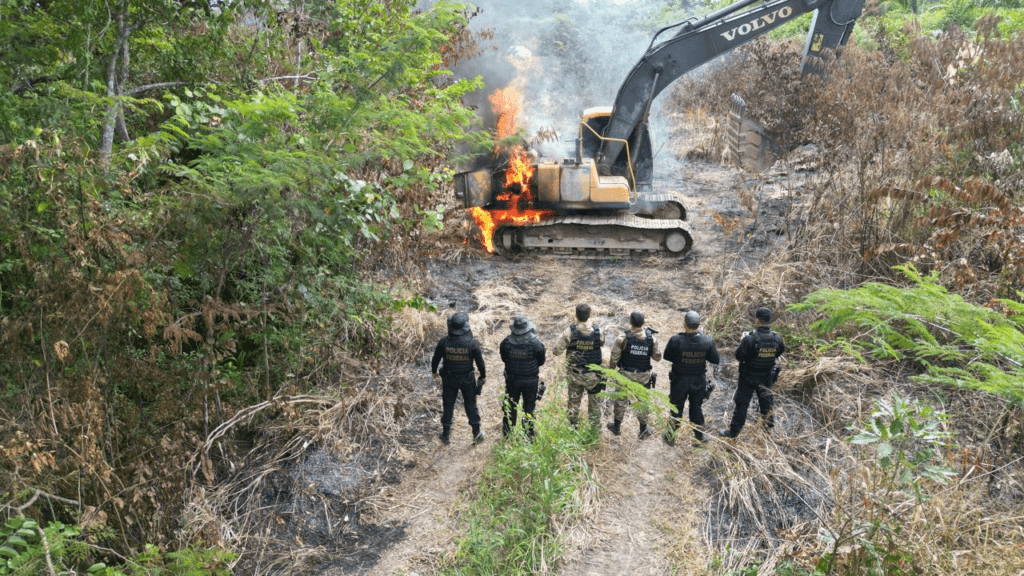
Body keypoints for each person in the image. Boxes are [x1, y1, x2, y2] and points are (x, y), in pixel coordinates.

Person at [720, 307, 785, 439]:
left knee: (742, 405)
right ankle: (768, 430)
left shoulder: (749, 339)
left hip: (748, 377)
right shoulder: (777, 339)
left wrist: (742, 342)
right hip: (766, 377)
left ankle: (733, 433)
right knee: (766, 402)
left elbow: (739, 356)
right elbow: (778, 353)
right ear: (769, 320)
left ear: (757, 320)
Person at [662, 311, 720, 445]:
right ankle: (699, 438)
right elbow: (715, 359)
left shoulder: (676, 340)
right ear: (698, 324)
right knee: (696, 408)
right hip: (698, 381)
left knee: (676, 408)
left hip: (679, 380)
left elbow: (667, 356)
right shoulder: (707, 341)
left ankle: (670, 437)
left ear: (684, 324)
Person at [431, 311, 487, 445]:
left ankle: (445, 435)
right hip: (467, 379)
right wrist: (483, 376)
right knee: (470, 405)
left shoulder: (444, 342)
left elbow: (435, 359)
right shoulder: (471, 343)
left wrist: (434, 372)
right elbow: (480, 362)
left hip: (449, 379)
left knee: (448, 405)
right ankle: (476, 433)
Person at [607, 311, 662, 439]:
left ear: (630, 322)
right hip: (643, 377)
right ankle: (643, 430)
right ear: (643, 322)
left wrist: (611, 370)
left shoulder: (623, 337)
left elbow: (614, 356)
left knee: (621, 400)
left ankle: (616, 427)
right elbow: (657, 357)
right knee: (642, 402)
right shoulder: (650, 339)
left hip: (626, 375)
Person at [551, 303, 606, 431]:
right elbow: (602, 343)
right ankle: (595, 430)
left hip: (575, 374)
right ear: (589, 315)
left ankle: (573, 428)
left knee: (574, 403)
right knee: (595, 404)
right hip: (593, 376)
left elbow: (556, 351)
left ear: (575, 315)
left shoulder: (570, 332)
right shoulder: (599, 331)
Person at [499, 314, 547, 438]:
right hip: (530, 381)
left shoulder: (505, 343)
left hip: (512, 380)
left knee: (510, 406)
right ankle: (528, 436)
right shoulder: (536, 344)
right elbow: (541, 361)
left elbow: (504, 359)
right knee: (529, 408)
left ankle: (507, 435)